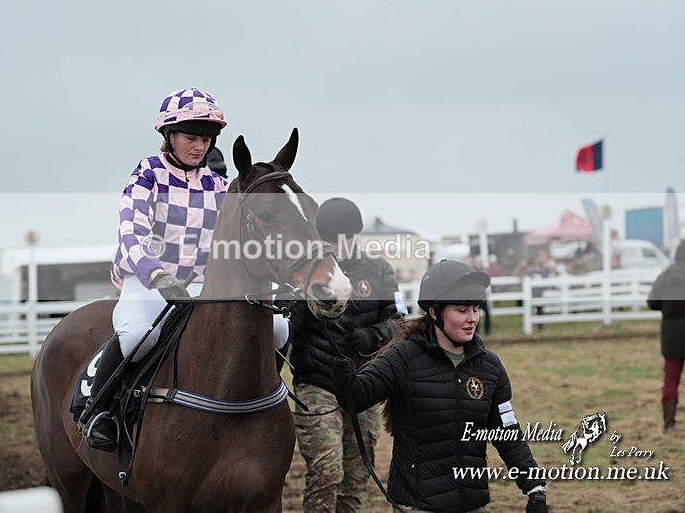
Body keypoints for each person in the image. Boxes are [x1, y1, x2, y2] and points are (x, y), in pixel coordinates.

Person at [78, 87, 289, 451]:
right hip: (147, 283)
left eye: (206, 139)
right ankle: (101, 409)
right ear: (168, 136)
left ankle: (258, 401)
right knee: (135, 335)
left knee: (280, 328)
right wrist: (157, 275)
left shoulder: (220, 186)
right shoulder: (147, 175)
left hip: (200, 286)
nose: (200, 146)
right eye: (192, 137)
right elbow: (131, 232)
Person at [333, 259, 548, 512]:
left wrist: (535, 490)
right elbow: (356, 398)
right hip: (417, 505)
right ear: (435, 313)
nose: (472, 319)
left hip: (473, 505)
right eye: (461, 310)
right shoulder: (403, 357)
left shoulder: (489, 367)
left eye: (475, 309)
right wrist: (343, 375)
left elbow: (507, 433)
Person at [285, 197, 403, 512]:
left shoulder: (378, 270)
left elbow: (398, 323)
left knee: (355, 478)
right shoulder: (305, 272)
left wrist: (370, 336)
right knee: (326, 472)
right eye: (332, 239)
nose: (340, 246)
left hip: (364, 385)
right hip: (317, 383)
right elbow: (288, 328)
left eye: (346, 238)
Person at [647, 240, 685, 434]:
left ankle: (669, 423)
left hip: (672, 336)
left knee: (671, 379)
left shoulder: (665, 276)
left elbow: (652, 302)